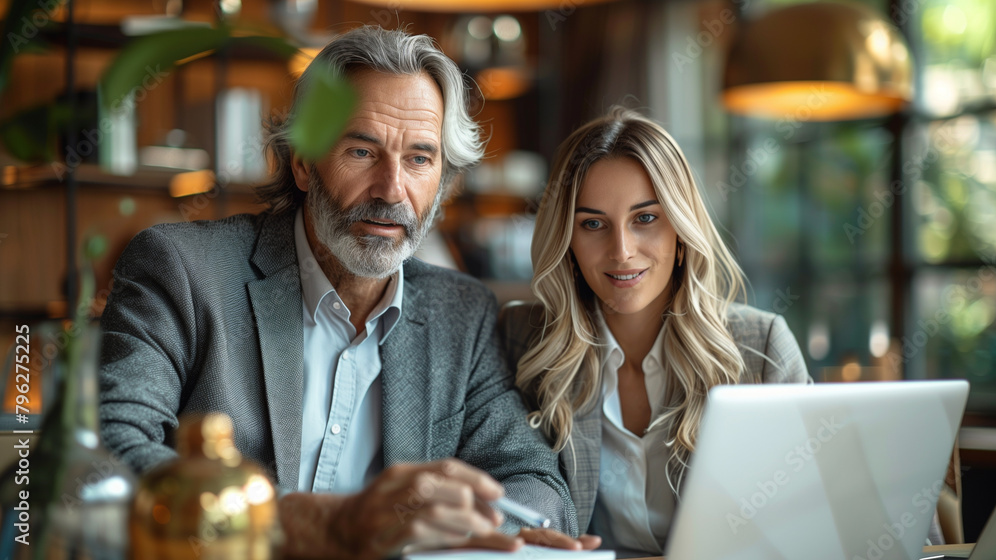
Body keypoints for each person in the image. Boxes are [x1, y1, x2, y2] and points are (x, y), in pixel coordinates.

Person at [99, 26, 581, 558]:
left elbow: (533, 480)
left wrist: (472, 530)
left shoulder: (460, 313)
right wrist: (323, 524)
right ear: (303, 162)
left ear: (443, 183)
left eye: (420, 159)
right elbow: (109, 455)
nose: (392, 189)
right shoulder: (183, 272)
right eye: (361, 150)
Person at [500, 107, 812, 557]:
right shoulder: (521, 339)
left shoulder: (760, 347)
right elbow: (504, 480)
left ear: (682, 232)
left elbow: (813, 508)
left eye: (645, 218)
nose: (621, 251)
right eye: (592, 224)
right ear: (568, 241)